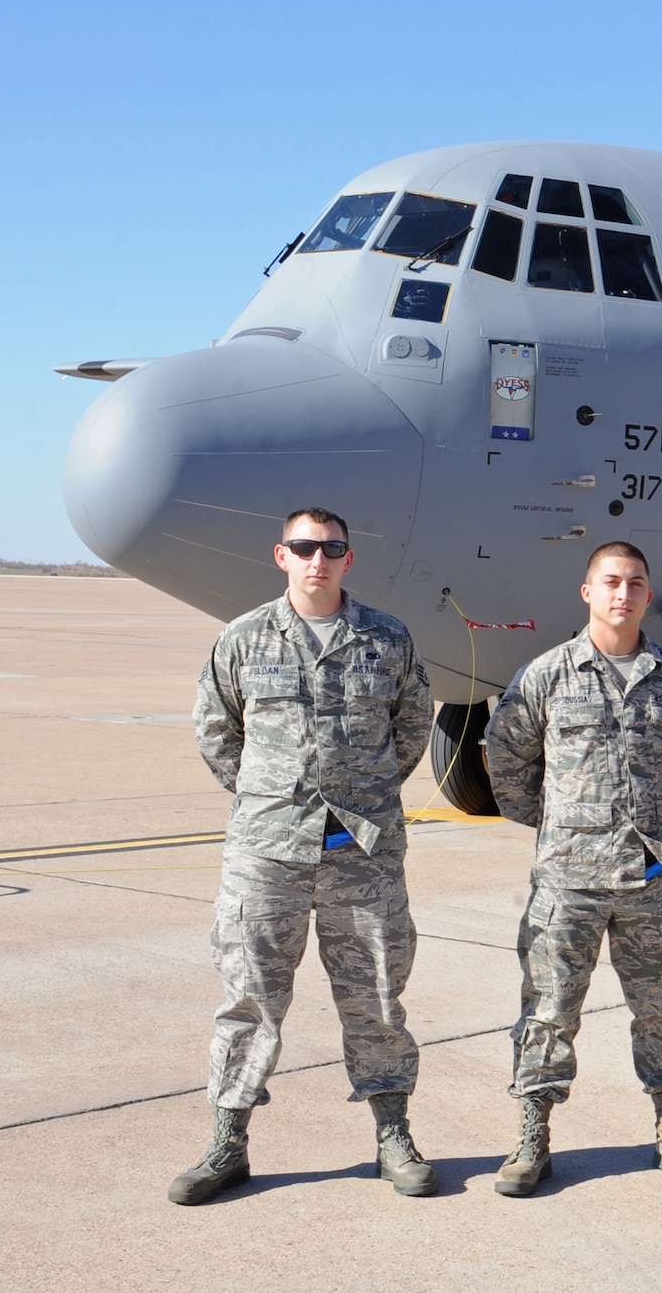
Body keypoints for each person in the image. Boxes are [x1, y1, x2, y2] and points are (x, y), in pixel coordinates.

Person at [175, 507, 437, 1205]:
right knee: (249, 999)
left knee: (378, 998)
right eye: (303, 547)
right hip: (266, 853)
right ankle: (227, 1142)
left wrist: (360, 793)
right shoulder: (244, 636)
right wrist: (271, 797)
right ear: (280, 555)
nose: (317, 558)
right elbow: (216, 728)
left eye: (331, 547)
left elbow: (410, 730)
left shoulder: (388, 638)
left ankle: (393, 1135)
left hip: (364, 851)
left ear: (349, 557)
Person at [484, 541, 662, 1194]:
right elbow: (507, 757)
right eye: (610, 581)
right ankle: (533, 1136)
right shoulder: (548, 674)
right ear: (587, 591)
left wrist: (660, 825)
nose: (622, 592)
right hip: (568, 880)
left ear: (647, 593)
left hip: (650, 878)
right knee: (549, 1011)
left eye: (635, 582)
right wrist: (559, 827)